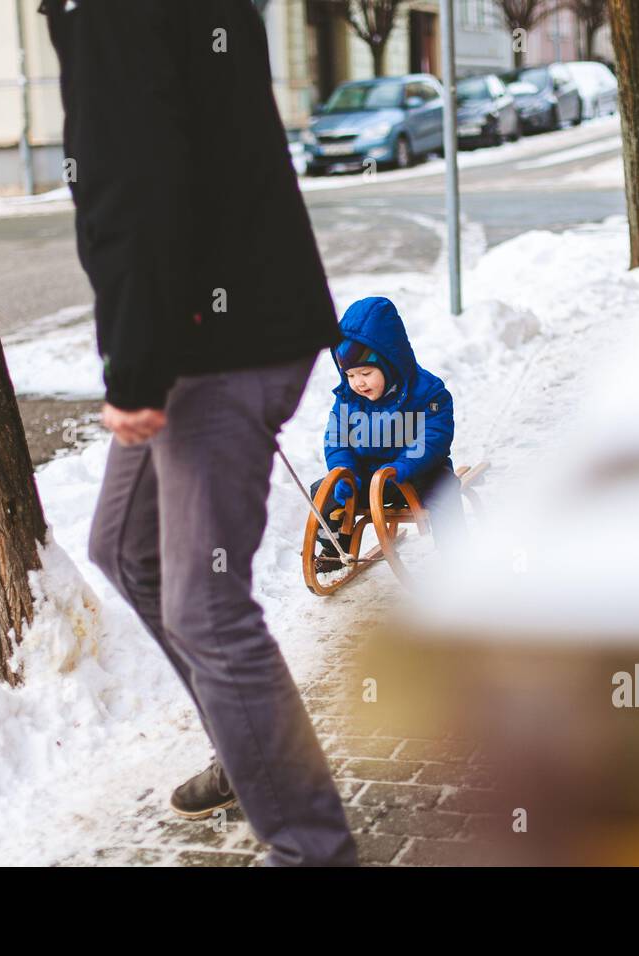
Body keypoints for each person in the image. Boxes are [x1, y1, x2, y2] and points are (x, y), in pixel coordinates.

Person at [41, 0, 357, 866]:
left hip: (216, 344)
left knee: (207, 610)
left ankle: (312, 848)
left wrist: (138, 369)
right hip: (216, 327)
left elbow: (136, 185)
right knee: (125, 549)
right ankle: (247, 742)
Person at [309, 296, 466, 568]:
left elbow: (434, 436)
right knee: (323, 489)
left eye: (366, 373)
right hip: (365, 478)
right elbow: (337, 439)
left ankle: (459, 556)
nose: (358, 383)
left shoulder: (426, 392)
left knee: (445, 491)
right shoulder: (348, 399)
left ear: (390, 363)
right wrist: (345, 471)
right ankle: (335, 549)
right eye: (350, 375)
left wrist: (404, 466)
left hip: (416, 475)